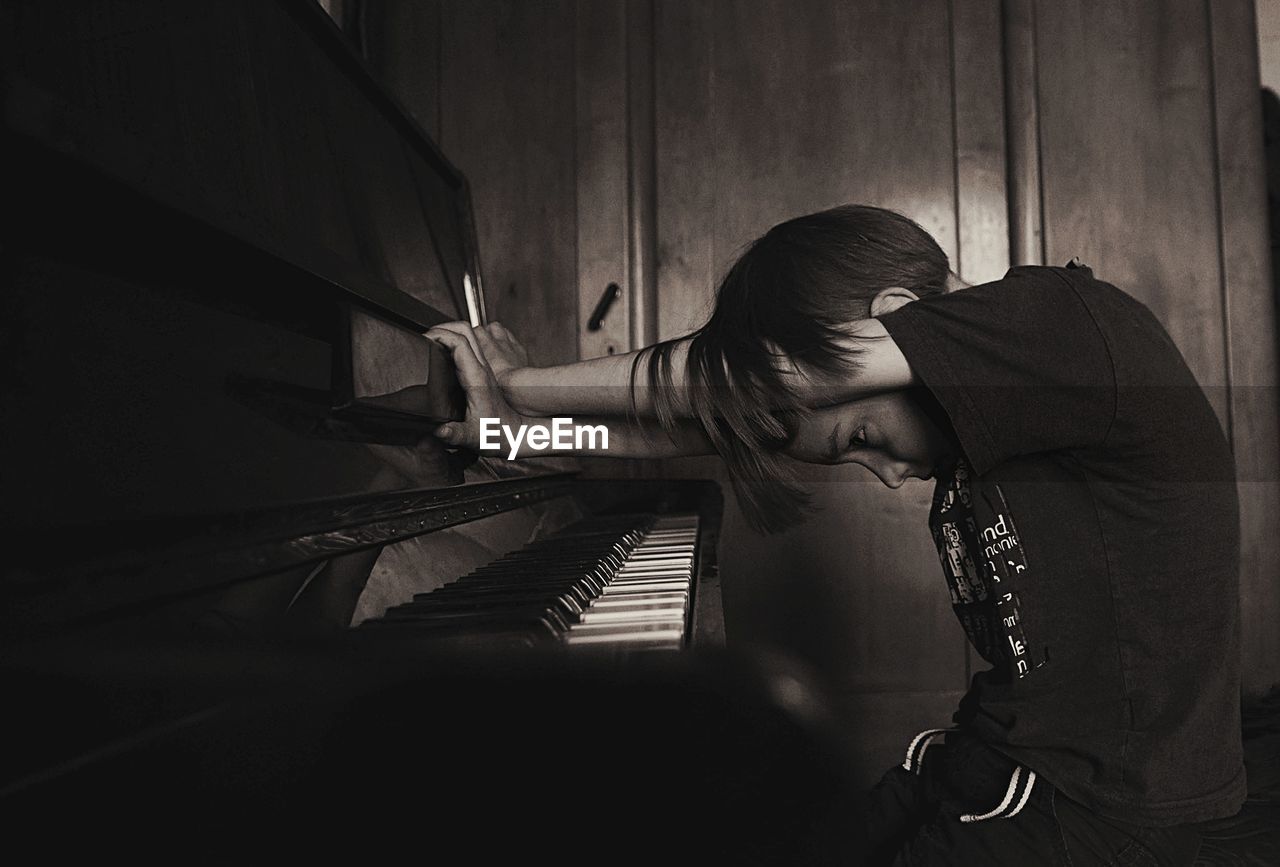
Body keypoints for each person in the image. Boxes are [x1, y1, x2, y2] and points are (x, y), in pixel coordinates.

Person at [425, 204, 1243, 865]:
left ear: (892, 323)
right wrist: (519, 435)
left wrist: (520, 384)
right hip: (995, 758)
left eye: (861, 440)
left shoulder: (1068, 321)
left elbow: (749, 384)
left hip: (1107, 811)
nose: (886, 476)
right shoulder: (976, 397)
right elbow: (697, 424)